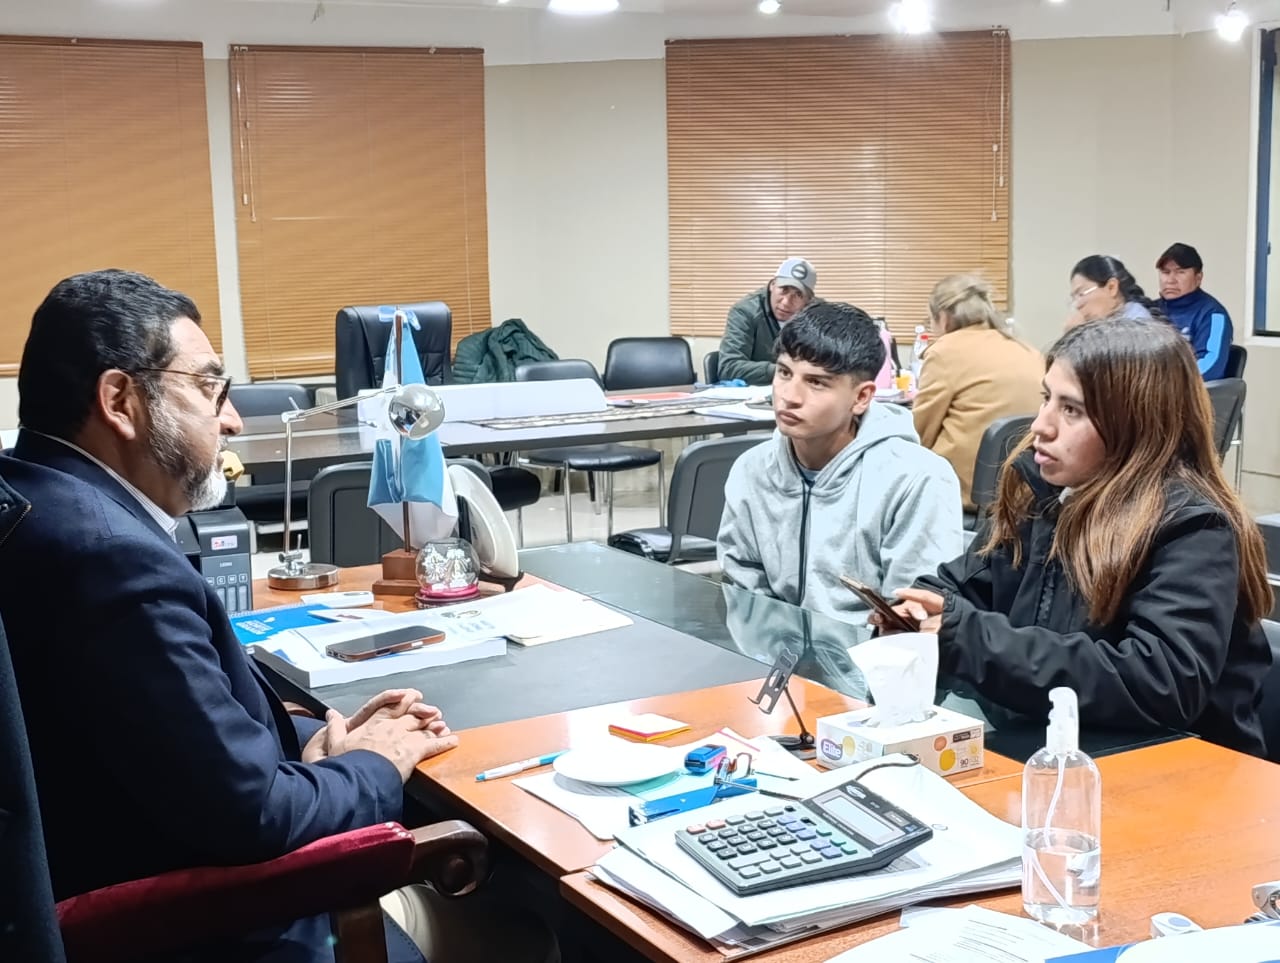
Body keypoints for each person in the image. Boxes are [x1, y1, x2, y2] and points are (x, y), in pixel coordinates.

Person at [0, 270, 553, 963]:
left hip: (115, 853)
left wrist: (305, 748)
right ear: (120, 401)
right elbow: (255, 816)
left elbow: (166, 747)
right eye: (210, 388)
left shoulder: (31, 500)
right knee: (524, 931)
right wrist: (377, 759)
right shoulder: (111, 560)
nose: (231, 419)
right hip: (215, 928)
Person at [881, 317, 1272, 755]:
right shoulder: (1044, 496)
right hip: (1054, 751)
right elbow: (965, 586)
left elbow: (1160, 683)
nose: (1041, 426)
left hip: (1180, 770)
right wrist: (917, 611)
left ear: (1135, 425)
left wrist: (969, 638)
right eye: (1046, 398)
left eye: (1072, 410)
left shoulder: (1192, 529)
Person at [718, 301, 964, 625]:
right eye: (784, 372)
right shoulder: (751, 470)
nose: (789, 396)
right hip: (771, 650)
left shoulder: (918, 479)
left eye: (816, 382)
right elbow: (744, 595)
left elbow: (911, 616)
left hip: (872, 653)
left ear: (861, 398)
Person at [911, 275, 1043, 511]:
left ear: (943, 318)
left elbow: (918, 435)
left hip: (962, 498)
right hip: (1022, 494)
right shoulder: (1027, 350)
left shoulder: (945, 351)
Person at [718, 257, 822, 385]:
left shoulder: (818, 314)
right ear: (772, 285)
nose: (786, 302)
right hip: (757, 392)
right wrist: (784, 371)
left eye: (798, 295)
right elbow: (728, 367)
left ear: (809, 300)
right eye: (784, 290)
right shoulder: (745, 311)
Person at [1156, 242, 1234, 380]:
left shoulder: (1214, 315)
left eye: (1180, 272)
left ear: (1198, 278)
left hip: (1188, 390)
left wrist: (1167, 383)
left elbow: (1211, 367)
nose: (1170, 280)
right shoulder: (1149, 310)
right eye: (1165, 272)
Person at [1066, 254, 1163, 328]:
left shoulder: (1137, 325)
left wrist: (1075, 335)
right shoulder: (1108, 323)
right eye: (1075, 298)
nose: (1078, 305)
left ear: (1111, 287)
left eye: (1081, 294)